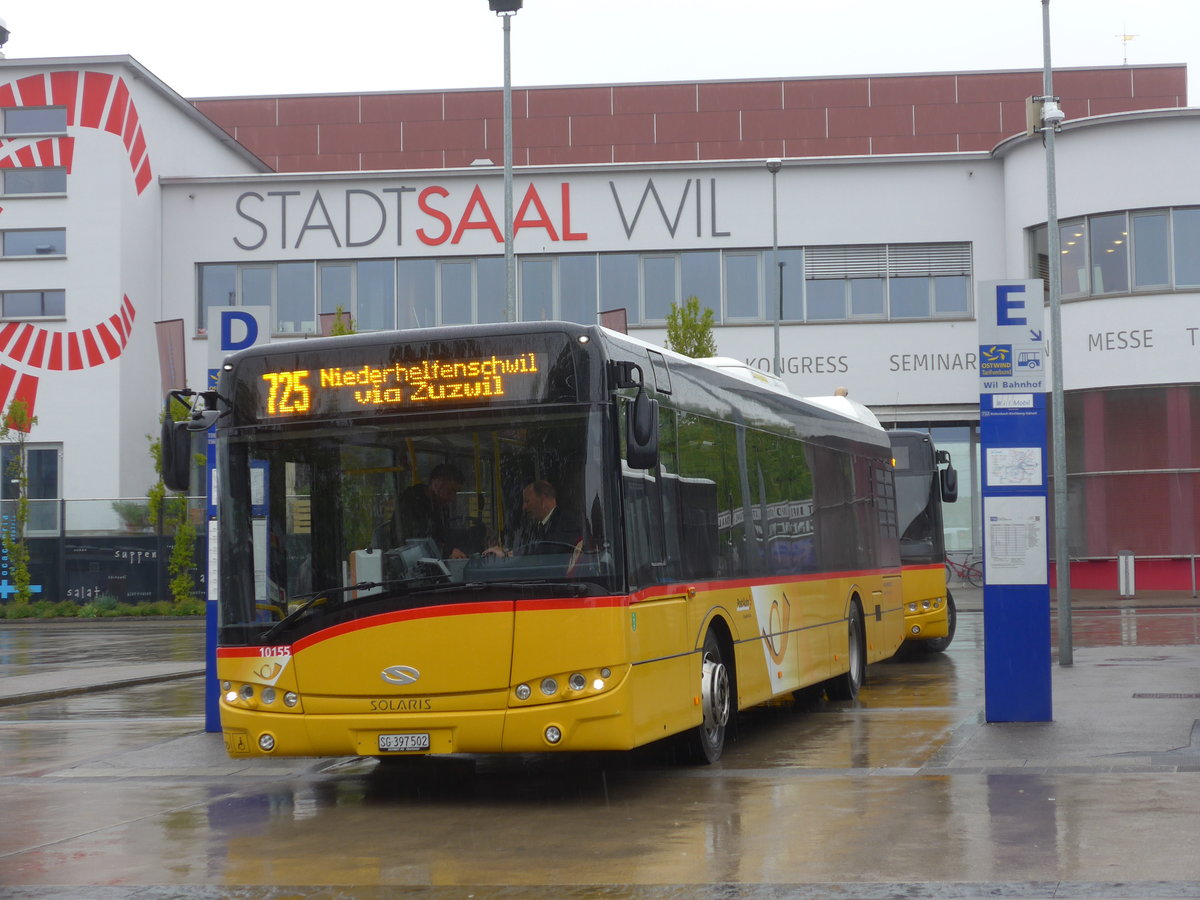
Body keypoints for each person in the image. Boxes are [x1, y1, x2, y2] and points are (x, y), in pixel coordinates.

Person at [374, 462, 472, 559]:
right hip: (409, 561)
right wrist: (448, 551)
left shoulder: (439, 506)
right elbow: (414, 541)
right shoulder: (411, 503)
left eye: (456, 492)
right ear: (436, 484)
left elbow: (443, 536)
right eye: (450, 491)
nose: (452, 497)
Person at [490, 479, 581, 556]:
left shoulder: (569, 523)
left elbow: (551, 548)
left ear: (543, 500)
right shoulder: (531, 526)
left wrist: (511, 554)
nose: (523, 507)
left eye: (527, 501)